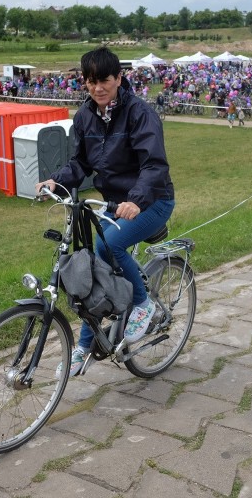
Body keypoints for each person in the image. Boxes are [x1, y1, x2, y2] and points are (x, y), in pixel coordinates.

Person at [35, 47, 175, 377]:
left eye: (105, 81)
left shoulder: (140, 114)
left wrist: (136, 200)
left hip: (152, 201)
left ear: (119, 79)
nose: (98, 88)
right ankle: (84, 348)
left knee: (107, 247)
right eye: (91, 81)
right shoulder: (84, 117)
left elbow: (154, 165)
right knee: (91, 271)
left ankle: (142, 304)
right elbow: (81, 162)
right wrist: (57, 181)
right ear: (85, 82)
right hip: (113, 204)